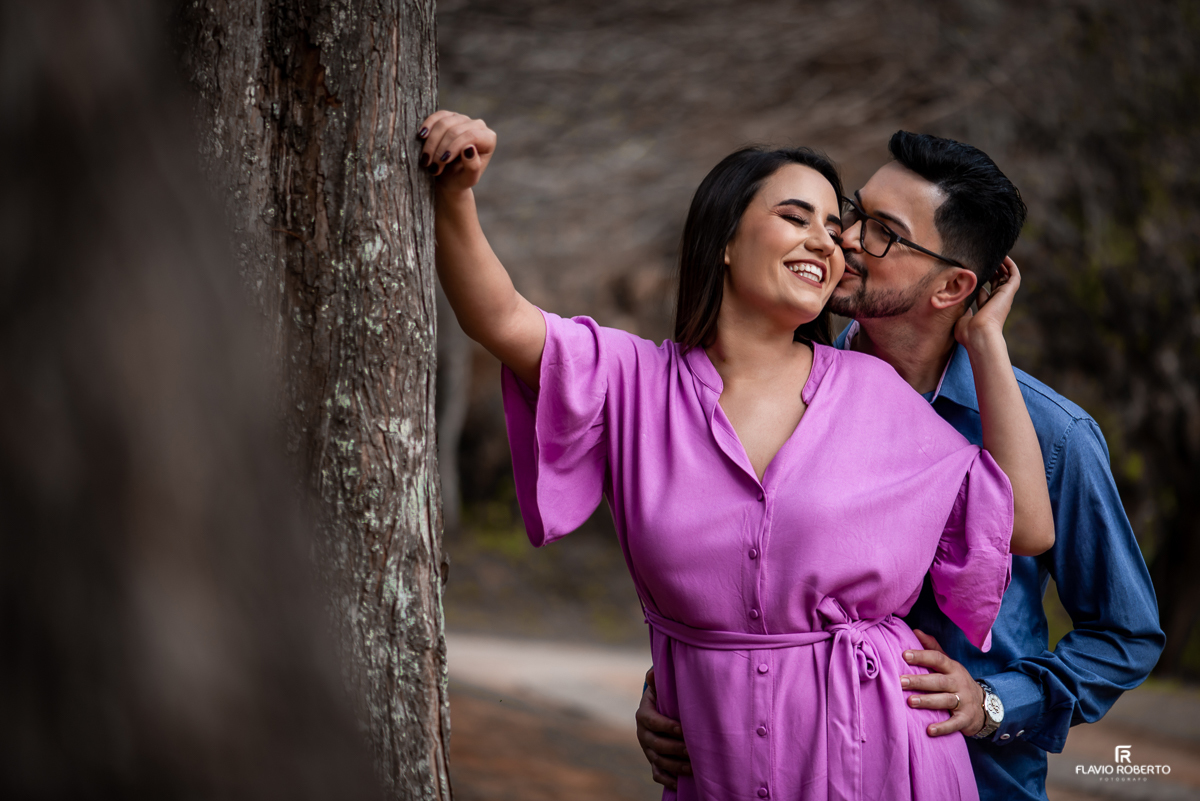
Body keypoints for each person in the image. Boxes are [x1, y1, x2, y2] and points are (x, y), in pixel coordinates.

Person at [419, 109, 1054, 800]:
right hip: (713, 765)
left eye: (831, 227)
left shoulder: (876, 394)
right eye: (795, 216)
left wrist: (985, 338)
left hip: (879, 757)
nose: (829, 241)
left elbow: (1023, 525)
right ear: (724, 239)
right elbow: (500, 317)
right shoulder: (633, 382)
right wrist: (457, 192)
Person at [636, 132, 1166, 801]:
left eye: (882, 232)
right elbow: (731, 561)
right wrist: (673, 683)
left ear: (952, 286)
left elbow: (1125, 633)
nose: (846, 239)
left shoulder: (1052, 436)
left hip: (975, 778)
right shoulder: (771, 382)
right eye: (854, 212)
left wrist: (993, 703)